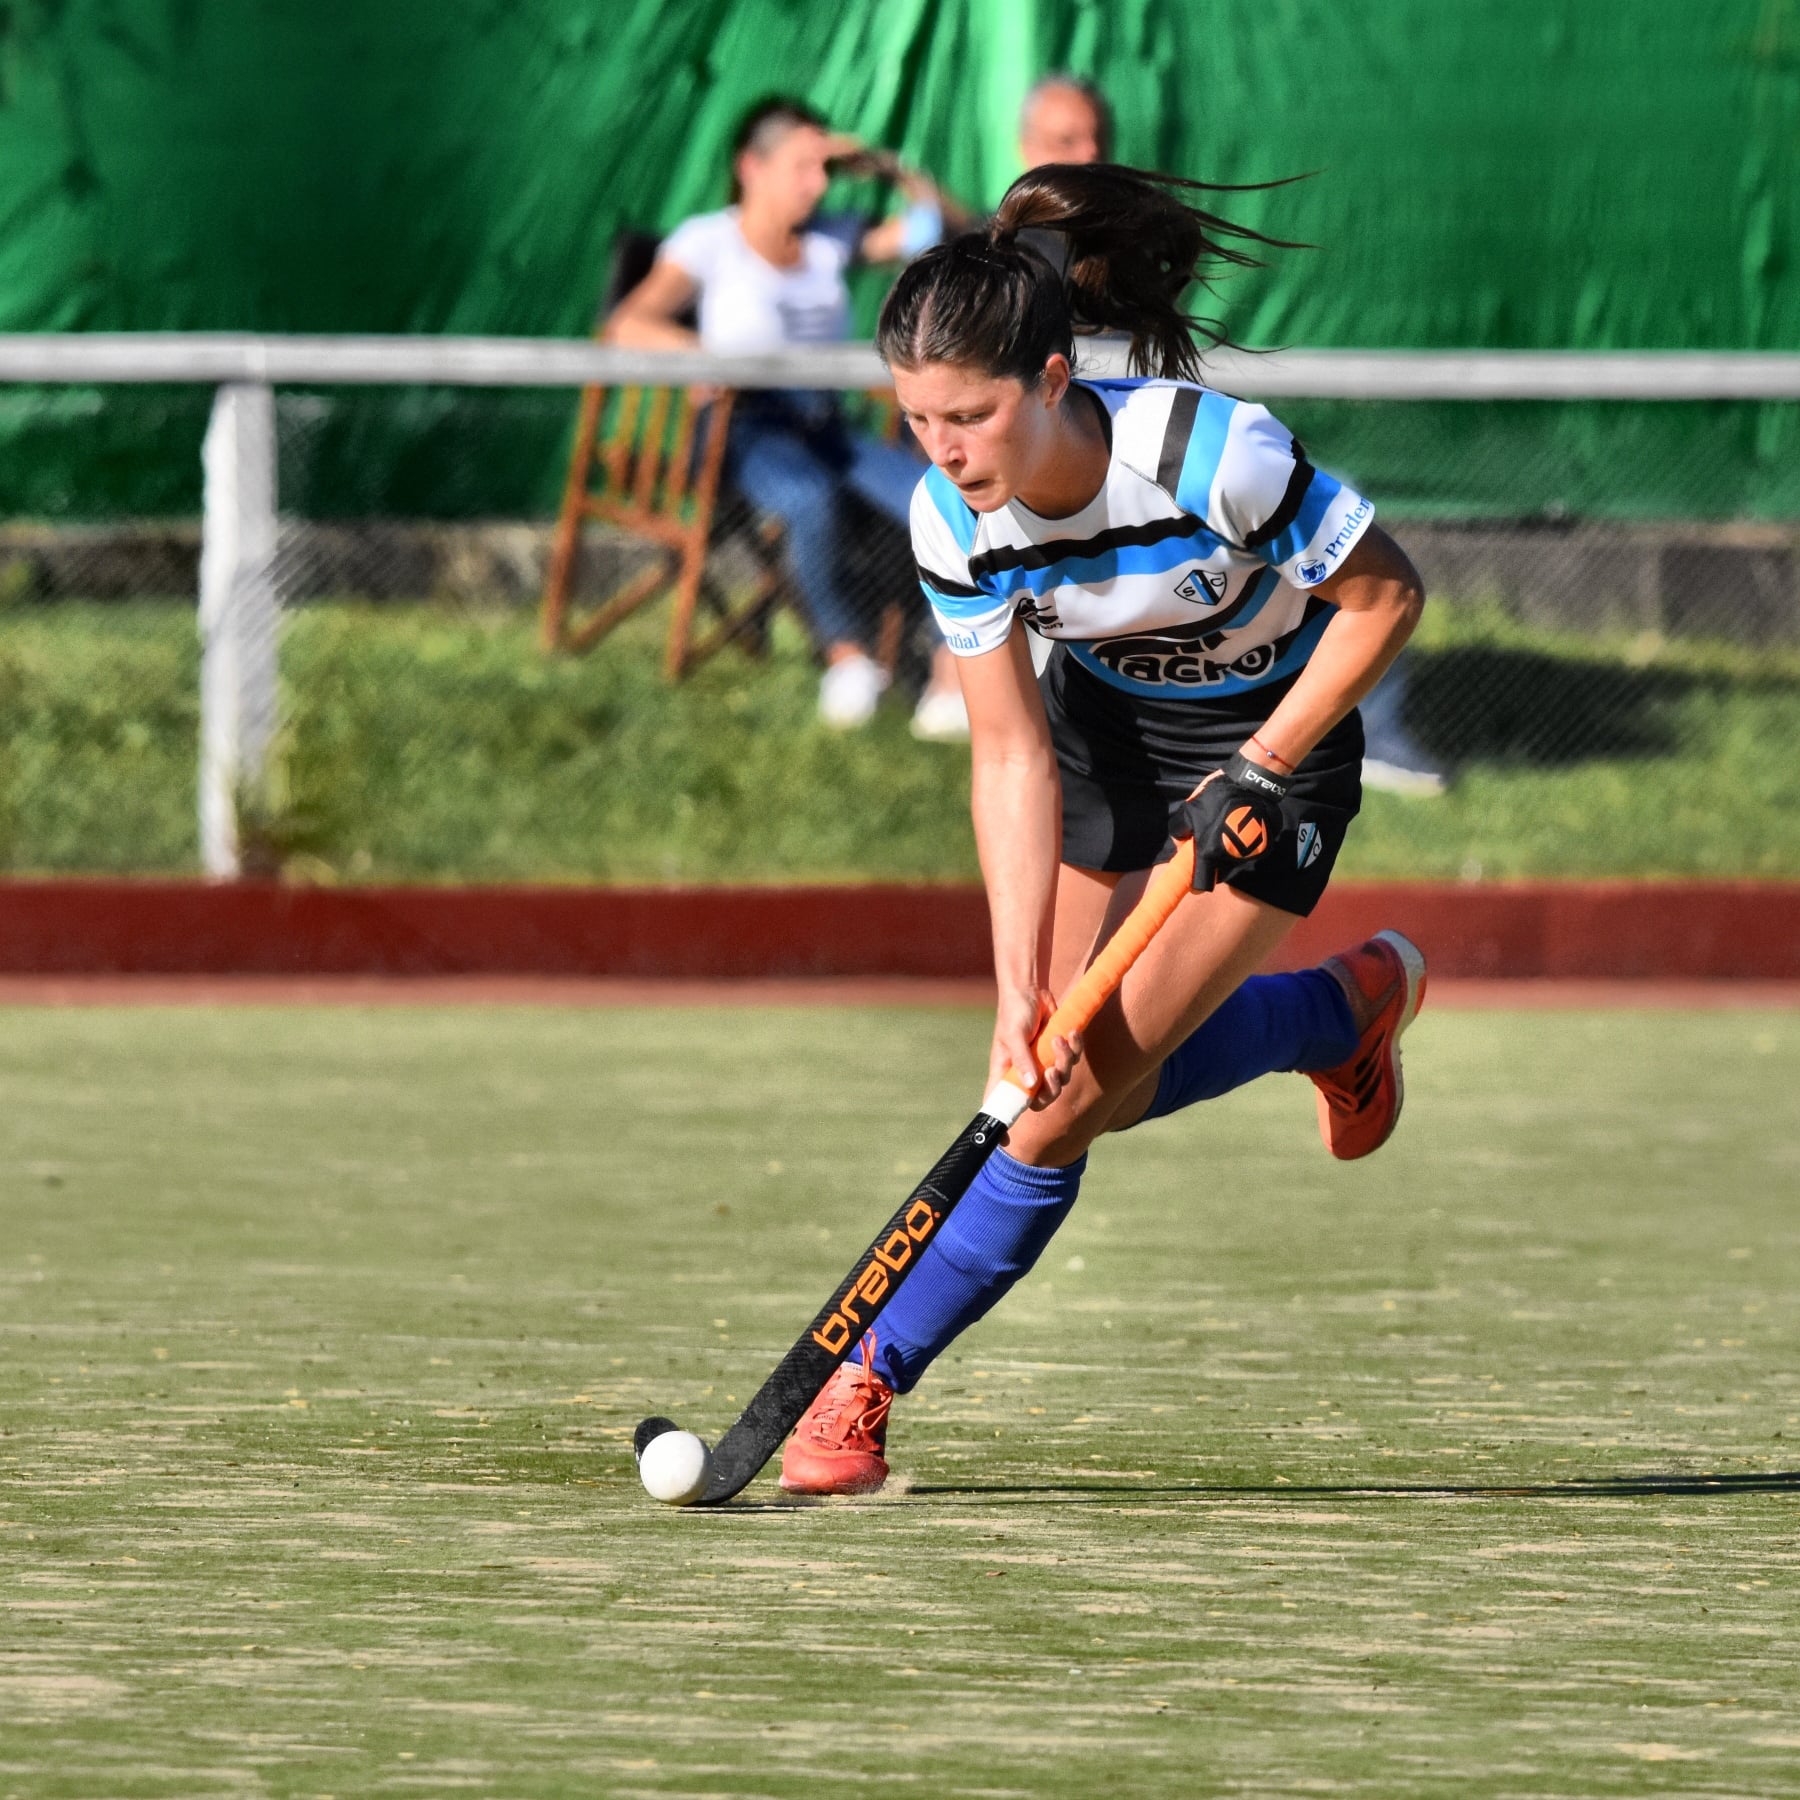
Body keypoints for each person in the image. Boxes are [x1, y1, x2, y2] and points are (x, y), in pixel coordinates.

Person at [779, 162, 1430, 1495]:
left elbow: (1384, 602)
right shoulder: (950, 521)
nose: (947, 453)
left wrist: (1261, 760)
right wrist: (1016, 987)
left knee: (1059, 1108)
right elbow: (1010, 755)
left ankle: (864, 1388)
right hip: (1104, 751)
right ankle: (1333, 1017)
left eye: (971, 416)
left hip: (1276, 754)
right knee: (1056, 1085)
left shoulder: (1209, 455)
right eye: (916, 423)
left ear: (1056, 378)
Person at [605, 96, 970, 733]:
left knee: (940, 499)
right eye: (803, 166)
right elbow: (627, 324)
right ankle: (847, 658)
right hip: (742, 429)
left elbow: (949, 229)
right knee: (809, 499)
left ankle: (951, 669)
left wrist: (883, 166)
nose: (819, 183)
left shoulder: (832, 239)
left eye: (825, 169)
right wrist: (708, 359)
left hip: (829, 425)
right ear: (752, 166)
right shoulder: (709, 242)